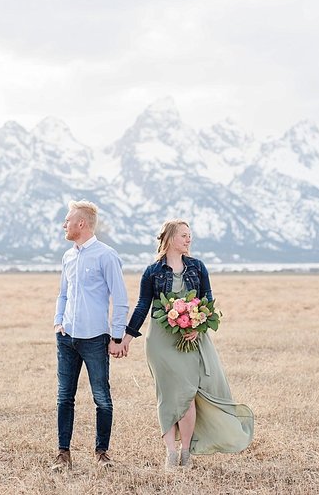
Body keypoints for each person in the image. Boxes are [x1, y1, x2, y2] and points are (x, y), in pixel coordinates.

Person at [120, 219, 254, 470]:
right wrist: (126, 338)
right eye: (184, 235)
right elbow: (142, 307)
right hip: (161, 341)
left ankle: (186, 451)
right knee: (168, 395)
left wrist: (197, 326)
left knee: (189, 395)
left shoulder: (198, 267)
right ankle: (170, 453)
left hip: (193, 340)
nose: (188, 239)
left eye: (189, 235)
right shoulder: (152, 271)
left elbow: (208, 301)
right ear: (170, 238)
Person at [51, 200, 129, 471]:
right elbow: (63, 293)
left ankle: (102, 453)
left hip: (96, 338)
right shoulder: (68, 256)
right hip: (67, 337)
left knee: (102, 398)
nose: (64, 225)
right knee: (64, 397)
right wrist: (58, 322)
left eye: (67, 220)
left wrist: (117, 337)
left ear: (81, 224)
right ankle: (63, 454)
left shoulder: (106, 255)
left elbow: (120, 299)